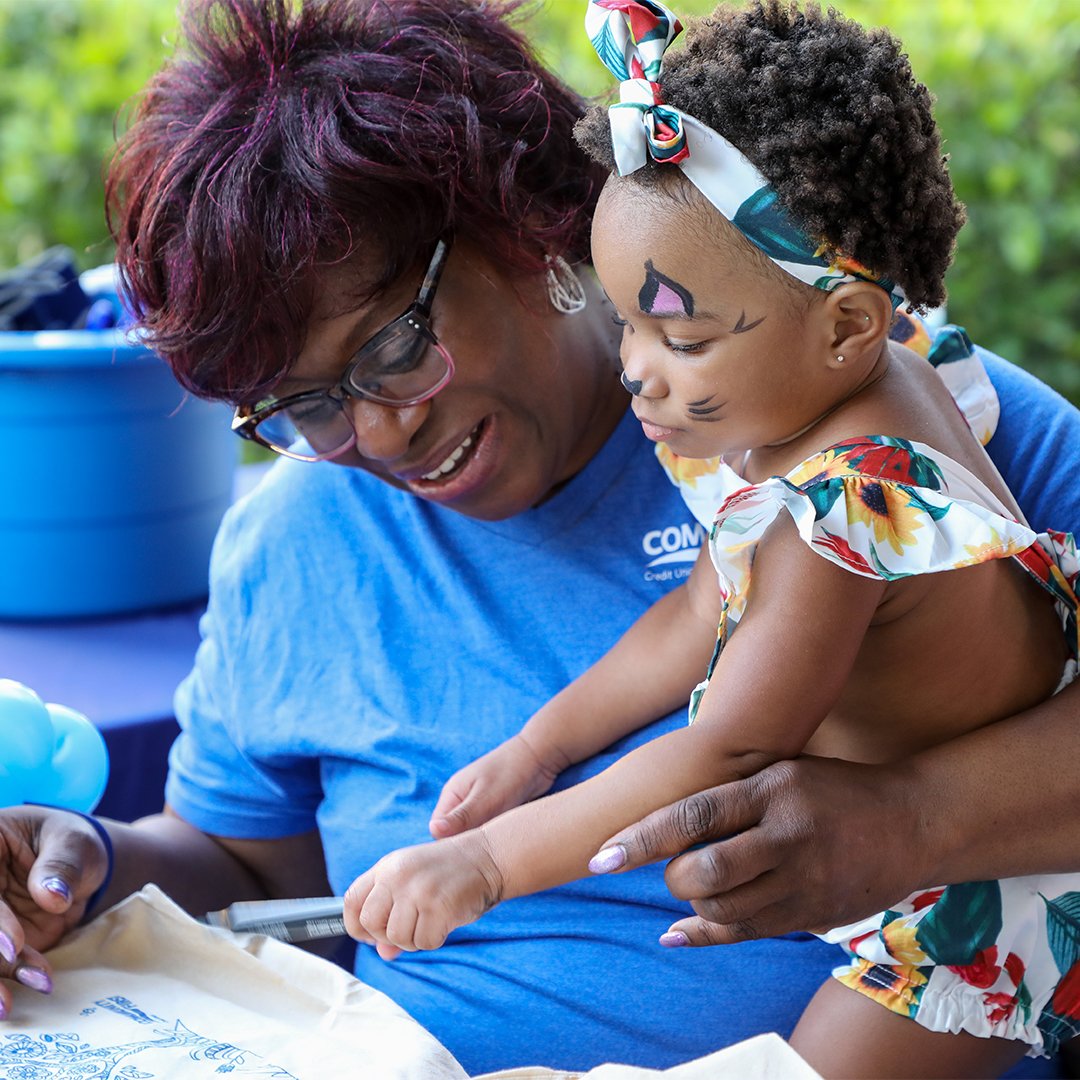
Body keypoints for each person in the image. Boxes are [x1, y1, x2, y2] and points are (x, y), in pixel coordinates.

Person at [0, 0, 1078, 1077]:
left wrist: (913, 820)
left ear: (522, 226)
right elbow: (250, 872)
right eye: (304, 405)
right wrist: (83, 870)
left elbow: (735, 740)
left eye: (393, 350)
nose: (377, 433)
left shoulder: (900, 418)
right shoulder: (295, 541)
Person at [341, 1, 1080, 1074]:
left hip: (994, 877)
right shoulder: (814, 392)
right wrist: (537, 749)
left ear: (845, 326)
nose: (636, 369)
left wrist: (490, 865)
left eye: (680, 337)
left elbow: (731, 745)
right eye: (625, 321)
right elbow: (699, 610)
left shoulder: (841, 503)